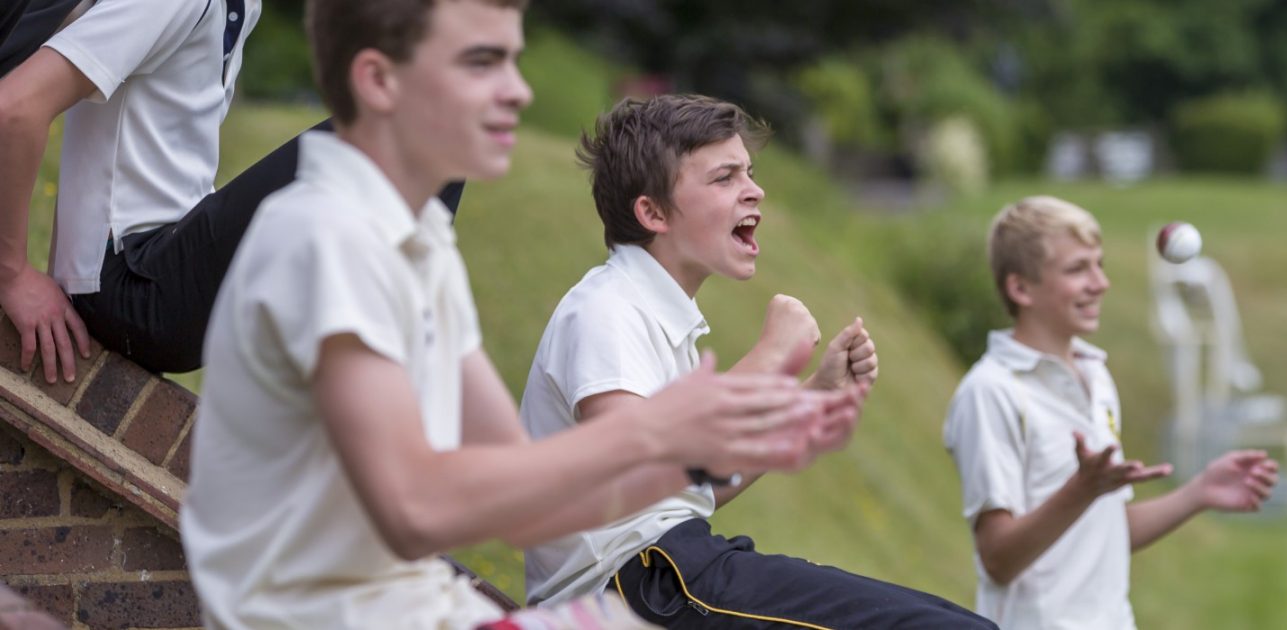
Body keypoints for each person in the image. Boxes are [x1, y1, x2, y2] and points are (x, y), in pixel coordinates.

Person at [180, 2, 849, 627]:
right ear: (380, 81)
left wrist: (723, 444)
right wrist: (663, 430)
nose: (519, 90)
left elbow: (541, 501)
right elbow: (414, 509)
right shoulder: (324, 235)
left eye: (513, 60)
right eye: (482, 63)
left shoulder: (419, 245)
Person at [519, 93, 994, 628]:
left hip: (668, 573)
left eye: (749, 171)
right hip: (632, 589)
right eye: (725, 178)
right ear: (652, 212)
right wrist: (771, 356)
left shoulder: (649, 310)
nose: (755, 190)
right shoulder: (604, 308)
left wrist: (810, 399)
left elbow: (685, 487)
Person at [0, 0, 461, 378]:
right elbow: (15, 108)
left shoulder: (240, 7)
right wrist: (12, 274)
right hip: (129, 282)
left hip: (164, 267)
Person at [943, 195, 1281, 629]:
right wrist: (1082, 490)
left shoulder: (1095, 375)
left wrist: (1199, 492)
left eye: (1099, 265)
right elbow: (997, 559)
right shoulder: (990, 391)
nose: (1100, 283)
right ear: (1020, 288)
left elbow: (1104, 531)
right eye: (1078, 268)